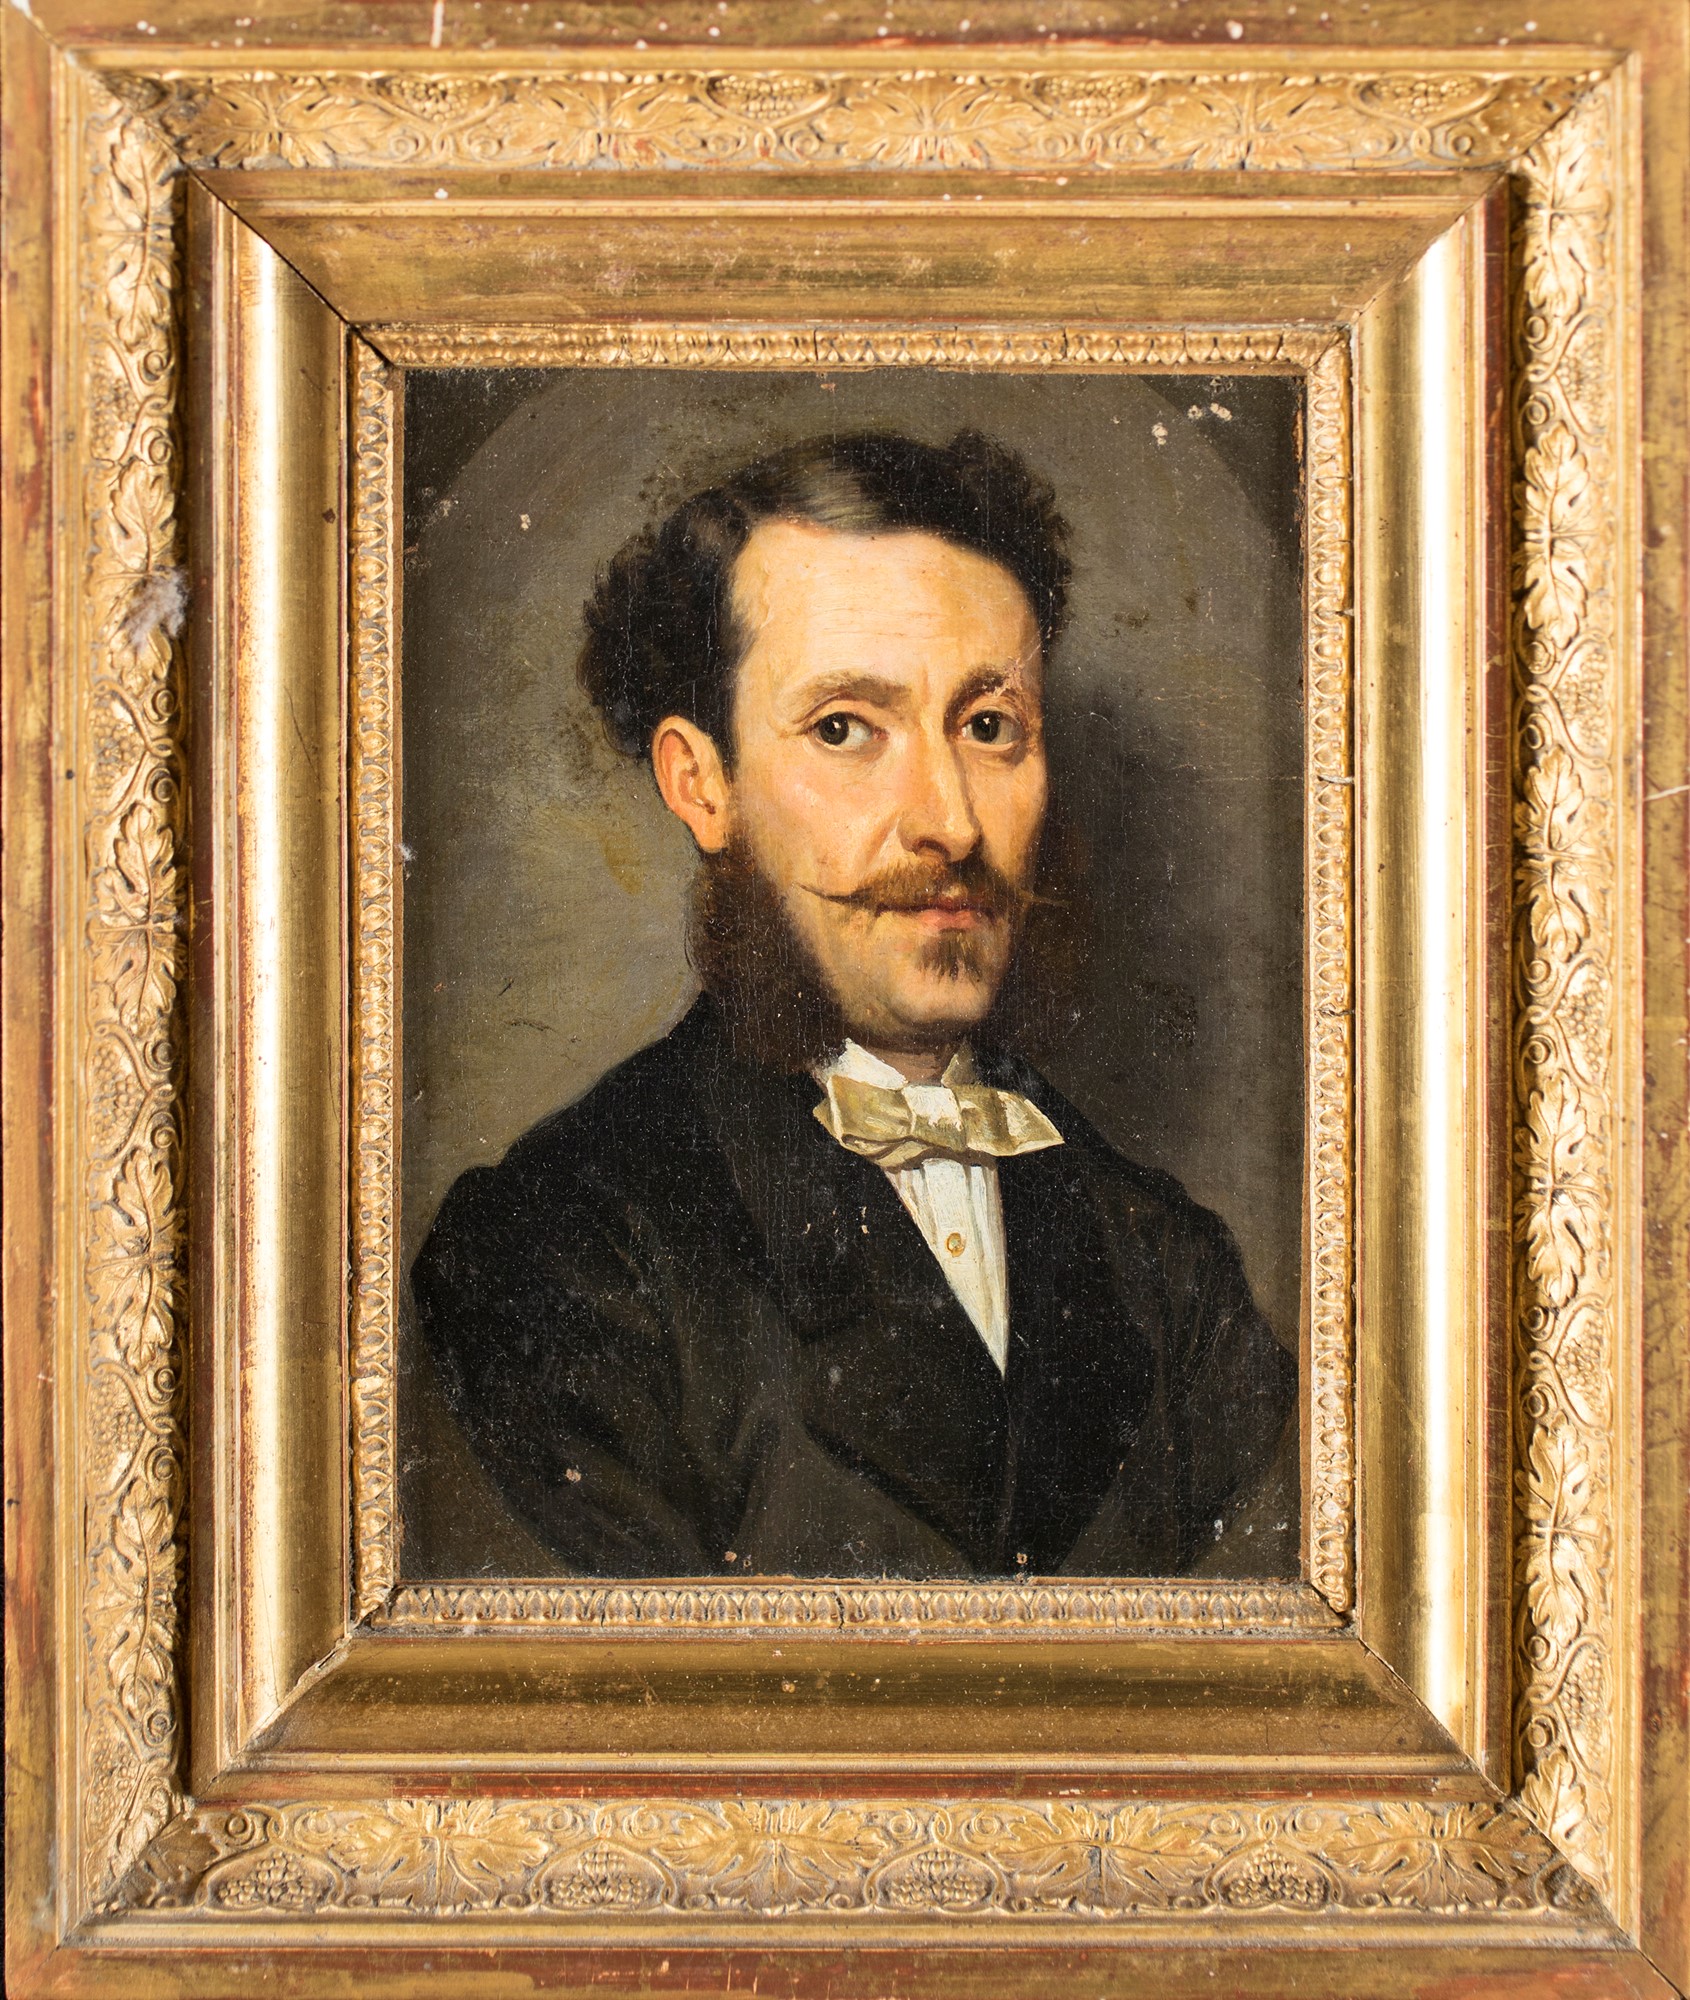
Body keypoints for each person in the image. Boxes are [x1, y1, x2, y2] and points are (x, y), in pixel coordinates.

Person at [411, 429, 1296, 1580]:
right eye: (844, 729)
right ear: (703, 783)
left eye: (988, 726)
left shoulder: (1173, 1268)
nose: (951, 824)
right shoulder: (557, 1252)